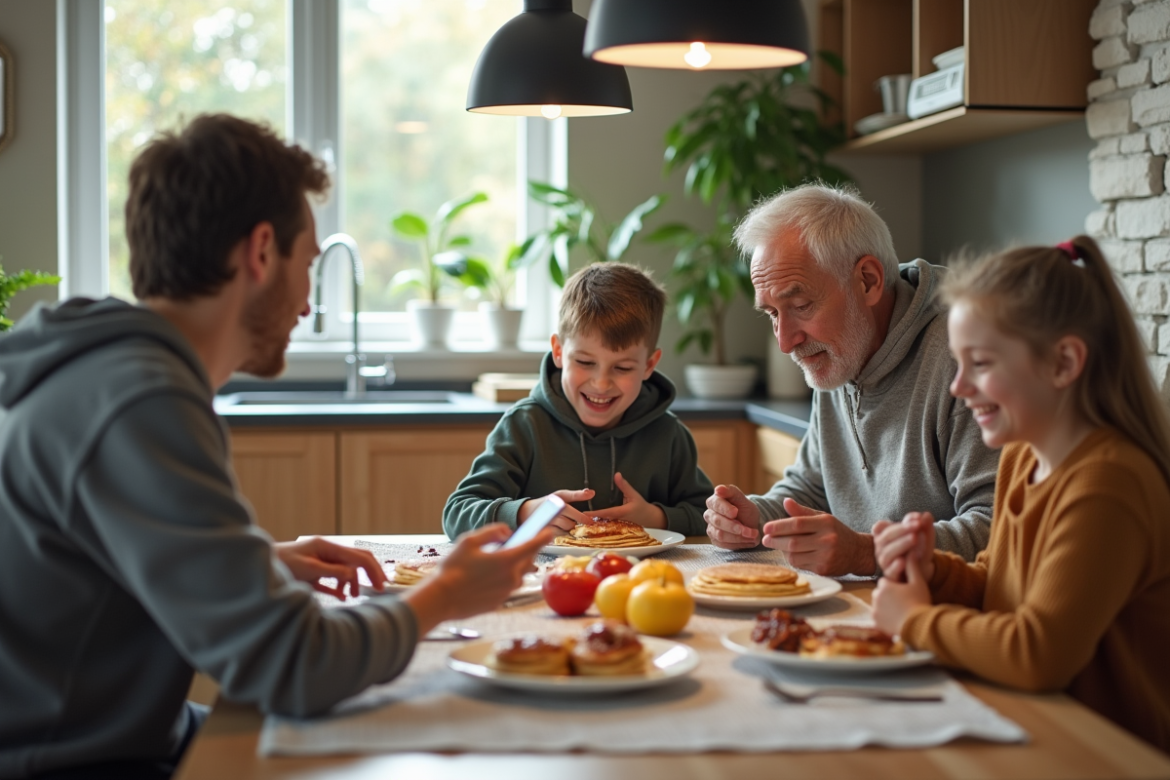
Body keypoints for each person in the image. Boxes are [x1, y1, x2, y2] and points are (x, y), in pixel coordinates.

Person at [0, 114, 552, 779]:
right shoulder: (140, 401)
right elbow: (293, 664)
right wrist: (443, 595)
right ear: (262, 252)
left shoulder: (110, 373)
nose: (307, 305)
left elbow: (99, 568)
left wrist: (256, 562)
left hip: (119, 736)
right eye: (310, 265)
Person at [871, 236, 1170, 753]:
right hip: (1042, 729)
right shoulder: (1024, 456)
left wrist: (915, 621)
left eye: (981, 364)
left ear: (1063, 363)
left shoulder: (1108, 482)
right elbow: (997, 586)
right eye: (957, 364)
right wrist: (935, 569)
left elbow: (1038, 653)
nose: (959, 386)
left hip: (1111, 753)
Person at [703, 184, 999, 576]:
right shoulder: (839, 351)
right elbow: (811, 489)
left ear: (869, 281)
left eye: (801, 305)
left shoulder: (966, 357)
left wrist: (866, 553)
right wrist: (754, 519)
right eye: (772, 313)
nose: (785, 341)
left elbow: (997, 527)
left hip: (947, 617)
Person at [443, 262, 713, 539]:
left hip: (641, 580)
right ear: (559, 351)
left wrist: (657, 517)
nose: (601, 383)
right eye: (585, 362)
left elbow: (709, 518)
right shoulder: (524, 426)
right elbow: (457, 514)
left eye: (622, 368)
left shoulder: (669, 435)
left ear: (649, 365)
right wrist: (525, 513)